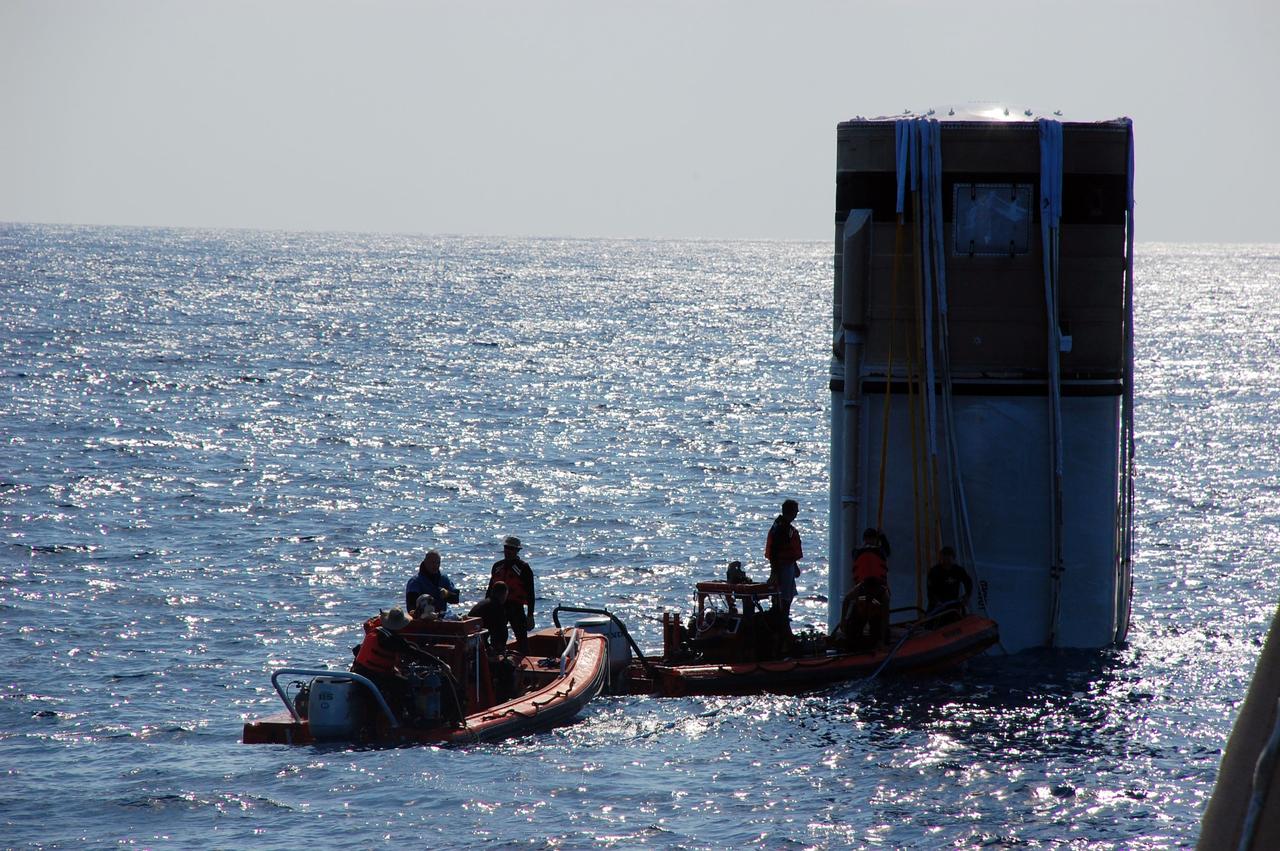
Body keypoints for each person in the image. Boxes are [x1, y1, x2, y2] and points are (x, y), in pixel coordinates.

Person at [350, 606, 437, 721]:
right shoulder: (392, 639)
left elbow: (357, 650)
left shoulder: (375, 631)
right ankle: (411, 718)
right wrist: (439, 662)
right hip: (374, 676)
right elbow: (414, 652)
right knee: (404, 684)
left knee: (395, 679)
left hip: (358, 673)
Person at [489, 536, 535, 654]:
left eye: (511, 549)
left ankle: (526, 664)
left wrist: (530, 616)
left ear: (517, 551)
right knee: (497, 639)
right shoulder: (497, 566)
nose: (508, 551)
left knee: (522, 639)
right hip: (498, 609)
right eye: (506, 548)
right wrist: (486, 609)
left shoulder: (523, 568)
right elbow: (490, 590)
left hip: (516, 607)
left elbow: (530, 593)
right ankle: (497, 662)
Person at [846, 527, 891, 646]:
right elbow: (887, 551)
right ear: (875, 539)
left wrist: (842, 621)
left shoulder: (857, 552)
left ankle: (854, 642)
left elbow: (846, 600)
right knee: (877, 619)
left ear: (864, 539)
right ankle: (879, 640)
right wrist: (882, 537)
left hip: (862, 592)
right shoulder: (880, 552)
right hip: (876, 594)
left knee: (858, 618)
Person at [764, 499, 803, 622]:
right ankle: (781, 620)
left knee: (788, 595)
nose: (797, 513)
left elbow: (788, 549)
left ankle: (782, 618)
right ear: (791, 512)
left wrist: (795, 565)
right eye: (796, 511)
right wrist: (775, 572)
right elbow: (775, 551)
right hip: (782, 567)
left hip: (788, 565)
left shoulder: (785, 527)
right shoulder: (781, 528)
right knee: (783, 596)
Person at [926, 545, 973, 621]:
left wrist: (967, 595)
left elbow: (968, 582)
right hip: (937, 607)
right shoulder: (934, 571)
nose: (946, 559)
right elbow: (930, 591)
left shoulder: (958, 570)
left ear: (953, 557)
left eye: (949, 556)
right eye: (944, 556)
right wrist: (936, 602)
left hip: (953, 606)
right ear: (941, 557)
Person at [405, 550, 459, 616]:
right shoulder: (415, 582)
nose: (436, 565)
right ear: (425, 562)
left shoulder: (444, 579)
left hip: (441, 618)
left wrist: (447, 594)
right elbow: (411, 607)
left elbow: (456, 599)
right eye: (433, 562)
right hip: (422, 619)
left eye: (438, 563)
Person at [467, 581, 511, 653]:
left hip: (469, 637)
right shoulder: (497, 607)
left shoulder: (484, 603)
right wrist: (500, 649)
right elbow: (501, 631)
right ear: (503, 595)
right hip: (476, 640)